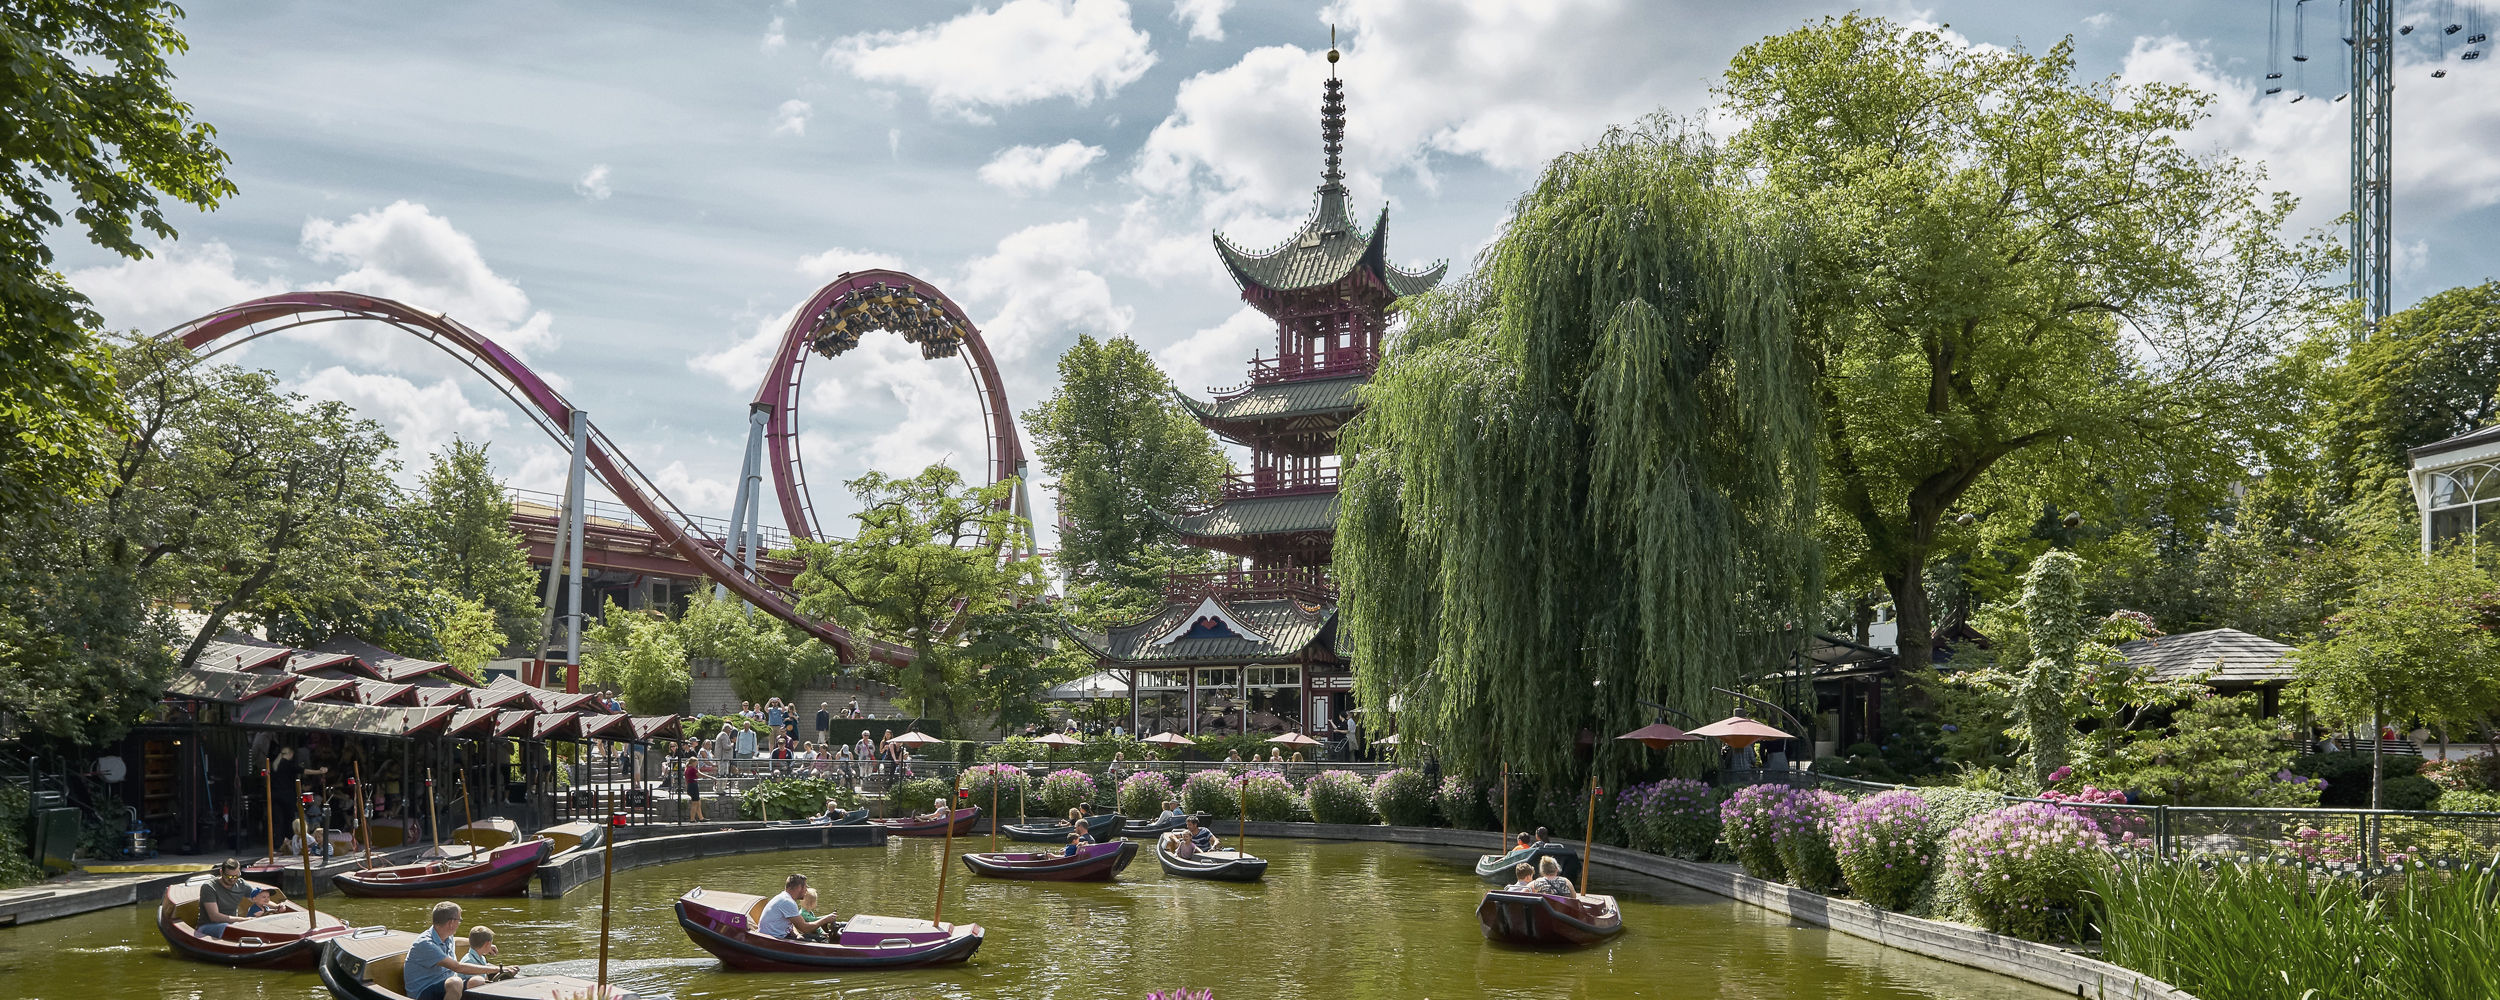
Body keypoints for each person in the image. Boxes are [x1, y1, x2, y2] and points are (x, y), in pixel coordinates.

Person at [406, 901, 518, 1000]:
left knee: (477, 981)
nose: (459, 923)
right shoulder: (425, 944)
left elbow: (456, 941)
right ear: (451, 922)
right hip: (423, 993)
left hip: (444, 987)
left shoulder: (446, 936)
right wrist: (497, 969)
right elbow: (457, 967)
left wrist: (479, 944)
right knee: (455, 982)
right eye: (459, 920)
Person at [195, 859, 269, 939]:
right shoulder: (209, 887)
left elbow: (259, 899)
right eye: (228, 876)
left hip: (233, 925)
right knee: (226, 927)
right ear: (221, 872)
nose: (232, 879)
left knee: (240, 928)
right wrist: (244, 920)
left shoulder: (241, 885)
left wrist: (277, 907)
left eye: (236, 876)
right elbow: (214, 917)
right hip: (208, 926)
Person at [758, 874, 836, 940]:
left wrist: (796, 934)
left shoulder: (785, 898)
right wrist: (826, 919)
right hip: (773, 939)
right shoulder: (787, 902)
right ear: (799, 888)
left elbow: (789, 924)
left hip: (779, 936)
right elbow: (805, 928)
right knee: (820, 942)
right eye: (806, 887)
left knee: (819, 938)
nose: (806, 890)